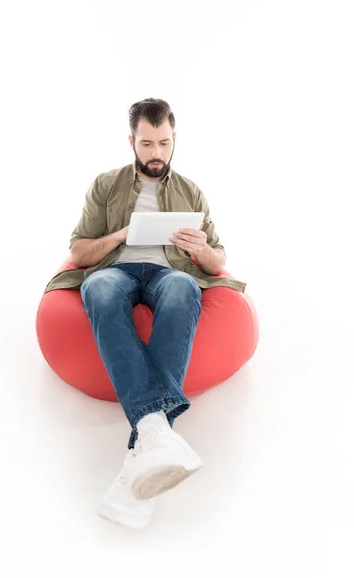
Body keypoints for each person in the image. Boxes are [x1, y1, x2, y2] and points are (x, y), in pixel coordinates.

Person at [44, 98, 246, 529]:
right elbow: (79, 252)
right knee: (97, 286)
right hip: (115, 271)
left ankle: (141, 449)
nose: (156, 152)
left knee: (183, 287)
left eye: (164, 143)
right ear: (132, 141)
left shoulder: (191, 191)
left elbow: (218, 260)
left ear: (175, 140)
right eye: (147, 143)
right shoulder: (106, 185)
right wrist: (121, 235)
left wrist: (201, 250)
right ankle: (154, 437)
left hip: (166, 272)